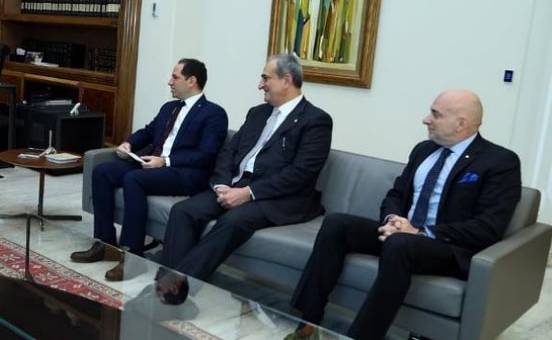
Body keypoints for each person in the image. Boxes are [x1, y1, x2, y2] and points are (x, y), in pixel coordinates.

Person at [285, 89, 522, 340]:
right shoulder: (423, 150)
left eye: (436, 115)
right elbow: (396, 194)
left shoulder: (499, 161)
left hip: (448, 247)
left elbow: (488, 227)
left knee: (400, 244)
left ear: (461, 124)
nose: (426, 120)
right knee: (337, 224)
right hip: (403, 236)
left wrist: (420, 232)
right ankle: (308, 322)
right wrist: (393, 220)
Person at [158, 53, 333, 294]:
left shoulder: (316, 121)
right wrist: (222, 185)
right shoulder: (257, 113)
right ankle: (168, 287)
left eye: (265, 78)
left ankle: (174, 289)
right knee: (184, 211)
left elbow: (301, 173)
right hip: (234, 186)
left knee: (232, 221)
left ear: (286, 80)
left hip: (276, 197)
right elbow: (229, 152)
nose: (260, 85)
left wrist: (248, 193)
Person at [70, 58, 229, 281]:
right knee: (103, 172)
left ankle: (133, 257)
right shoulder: (169, 107)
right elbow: (148, 131)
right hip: (153, 163)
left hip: (185, 173)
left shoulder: (214, 113)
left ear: (192, 81)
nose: (169, 82)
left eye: (175, 77)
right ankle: (105, 244)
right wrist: (128, 143)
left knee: (134, 179)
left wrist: (165, 161)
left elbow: (206, 154)